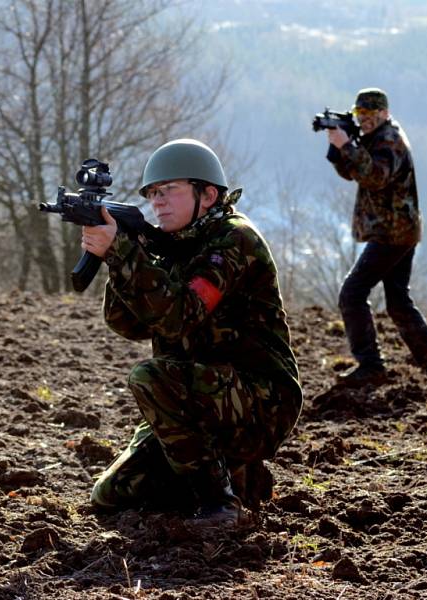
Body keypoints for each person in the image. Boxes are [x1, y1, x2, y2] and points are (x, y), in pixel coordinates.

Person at [82, 138, 303, 527]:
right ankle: (238, 476)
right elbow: (128, 324)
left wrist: (124, 253)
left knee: (148, 377)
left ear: (208, 194)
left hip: (261, 400)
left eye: (169, 190)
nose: (158, 202)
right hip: (199, 395)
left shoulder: (233, 241)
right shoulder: (172, 246)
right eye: (152, 194)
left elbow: (178, 317)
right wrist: (123, 260)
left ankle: (220, 504)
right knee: (112, 493)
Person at [325, 87, 427, 392]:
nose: (363, 120)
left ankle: (371, 366)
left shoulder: (390, 141)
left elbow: (376, 176)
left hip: (392, 234)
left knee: (352, 293)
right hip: (396, 231)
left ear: (384, 114)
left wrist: (347, 145)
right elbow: (353, 173)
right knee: (398, 303)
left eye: (368, 115)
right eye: (359, 114)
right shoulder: (375, 138)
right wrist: (339, 150)